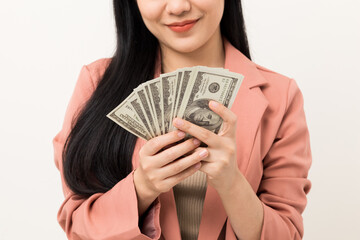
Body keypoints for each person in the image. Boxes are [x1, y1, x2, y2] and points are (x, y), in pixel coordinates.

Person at [53, 0, 312, 239]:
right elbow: (78, 227)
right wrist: (142, 187)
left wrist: (231, 182)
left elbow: (285, 234)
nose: (177, 7)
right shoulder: (96, 84)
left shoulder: (281, 97)